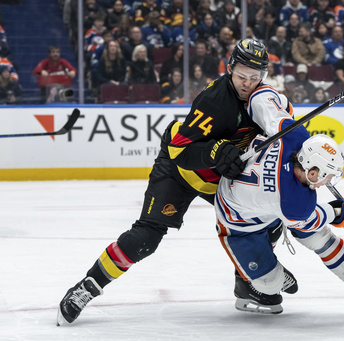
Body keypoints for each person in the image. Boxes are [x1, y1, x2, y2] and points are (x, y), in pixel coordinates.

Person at [56, 38, 298, 326]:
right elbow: (180, 152)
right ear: (230, 68)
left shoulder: (267, 101)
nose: (247, 83)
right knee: (145, 238)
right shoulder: (214, 101)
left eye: (254, 77)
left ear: (264, 76)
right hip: (180, 171)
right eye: (241, 76)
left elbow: (286, 138)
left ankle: (247, 283)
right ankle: (86, 287)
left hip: (219, 180)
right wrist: (215, 151)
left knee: (268, 219)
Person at [215, 130, 344, 316]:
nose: (328, 182)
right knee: (270, 284)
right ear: (312, 172)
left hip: (263, 201)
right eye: (328, 176)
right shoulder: (294, 204)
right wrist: (341, 213)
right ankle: (268, 274)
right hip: (239, 222)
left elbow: (261, 100)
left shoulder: (293, 135)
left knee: (313, 234)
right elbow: (311, 219)